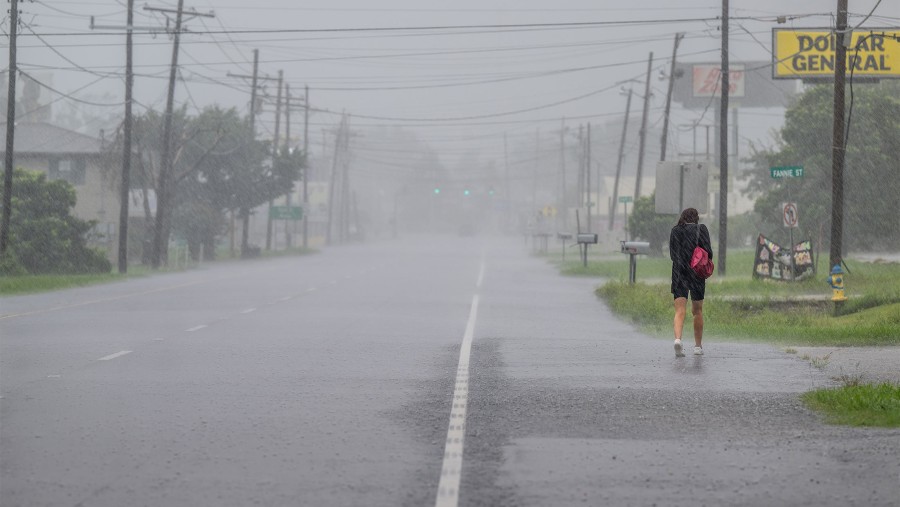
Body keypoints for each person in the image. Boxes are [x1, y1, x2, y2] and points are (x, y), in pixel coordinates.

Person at [669, 208, 712, 357]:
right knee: (697, 311)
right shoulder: (701, 229)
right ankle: (698, 347)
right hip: (696, 274)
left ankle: (677, 340)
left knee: (680, 310)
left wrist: (682, 261)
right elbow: (709, 253)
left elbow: (672, 255)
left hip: (679, 273)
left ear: (682, 217)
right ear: (696, 218)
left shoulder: (675, 231)